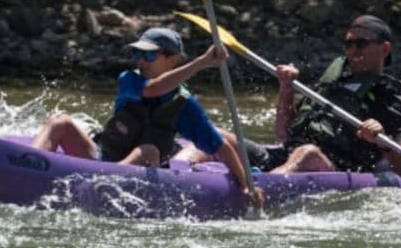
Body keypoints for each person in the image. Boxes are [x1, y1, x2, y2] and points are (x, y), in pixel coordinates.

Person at [32, 27, 265, 207]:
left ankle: (100, 185)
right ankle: (27, 164)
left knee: (148, 150)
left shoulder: (185, 106)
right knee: (60, 121)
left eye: (149, 55)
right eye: (138, 53)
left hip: (143, 173)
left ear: (172, 60)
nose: (140, 60)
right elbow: (153, 89)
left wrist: (246, 185)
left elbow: (220, 146)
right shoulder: (129, 79)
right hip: (103, 157)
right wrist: (202, 63)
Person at [175, 15, 401, 179]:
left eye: (361, 43)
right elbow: (283, 133)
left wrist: (382, 141)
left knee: (308, 153)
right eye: (348, 44)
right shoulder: (332, 84)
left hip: (334, 167)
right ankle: (172, 176)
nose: (352, 50)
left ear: (384, 48)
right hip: (287, 155)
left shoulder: (393, 97)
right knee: (213, 134)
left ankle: (265, 189)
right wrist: (286, 90)